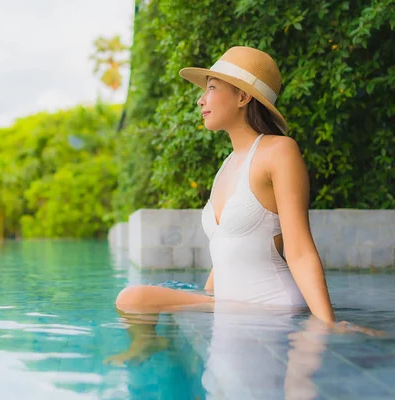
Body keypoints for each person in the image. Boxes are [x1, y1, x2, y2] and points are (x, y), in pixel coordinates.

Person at [113, 46, 379, 334]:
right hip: (231, 304)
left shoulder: (279, 151)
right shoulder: (227, 165)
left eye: (212, 88)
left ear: (243, 96)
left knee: (133, 297)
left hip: (270, 304)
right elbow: (228, 247)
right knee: (135, 301)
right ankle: (148, 346)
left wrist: (327, 323)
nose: (201, 100)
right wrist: (204, 299)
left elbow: (299, 249)